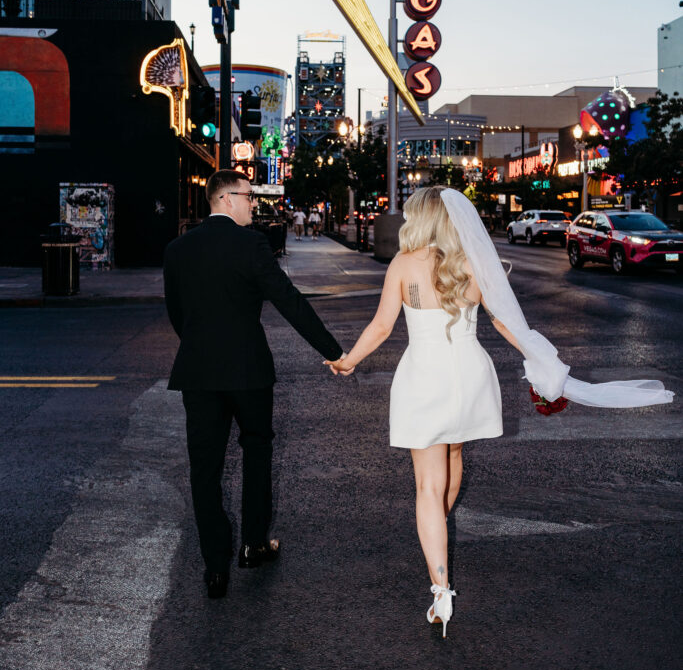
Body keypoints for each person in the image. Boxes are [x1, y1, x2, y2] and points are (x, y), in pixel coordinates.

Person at [325, 186, 673, 637]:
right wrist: (544, 363)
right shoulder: (471, 264)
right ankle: (438, 536)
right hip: (469, 373)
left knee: (428, 487)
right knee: (452, 459)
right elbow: (506, 321)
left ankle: (440, 588)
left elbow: (382, 326)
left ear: (422, 220)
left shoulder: (403, 265)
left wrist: (350, 359)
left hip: (424, 376)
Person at [164, 169, 345, 599]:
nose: (253, 205)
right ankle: (253, 544)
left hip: (199, 374)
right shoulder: (251, 244)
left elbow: (178, 315)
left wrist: (200, 348)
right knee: (257, 450)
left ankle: (215, 566)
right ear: (226, 199)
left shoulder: (176, 250)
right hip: (248, 371)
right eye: (248, 198)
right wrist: (334, 351)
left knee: (204, 469)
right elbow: (289, 301)